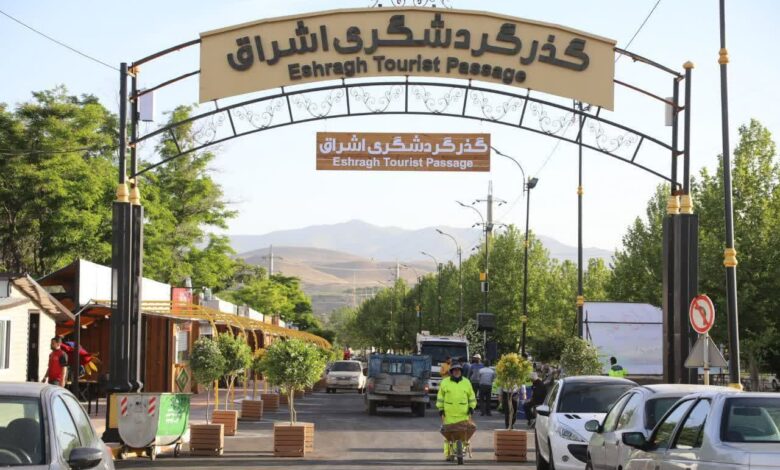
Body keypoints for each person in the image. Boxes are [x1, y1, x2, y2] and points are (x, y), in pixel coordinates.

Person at [436, 362, 477, 461]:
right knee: (448, 436)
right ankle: (448, 454)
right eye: (454, 370)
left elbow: (471, 396)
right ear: (451, 372)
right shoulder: (445, 382)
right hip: (449, 414)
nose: (457, 372)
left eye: (458, 370)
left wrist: (471, 407)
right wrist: (441, 408)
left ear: (461, 371)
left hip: (463, 414)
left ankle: (461, 450)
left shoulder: (466, 382)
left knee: (463, 434)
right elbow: (440, 397)